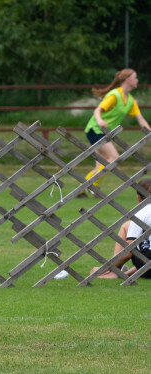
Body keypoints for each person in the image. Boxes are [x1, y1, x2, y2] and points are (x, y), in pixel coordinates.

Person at [78, 69, 151, 198]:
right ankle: (92, 187)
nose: (137, 80)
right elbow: (97, 110)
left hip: (104, 133)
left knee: (101, 165)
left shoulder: (130, 100)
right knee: (114, 158)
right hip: (95, 130)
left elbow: (140, 119)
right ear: (127, 80)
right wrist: (100, 120)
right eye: (135, 77)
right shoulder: (115, 95)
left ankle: (81, 190)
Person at [90, 179, 151, 279]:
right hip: (147, 263)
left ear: (139, 197)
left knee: (127, 228)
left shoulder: (141, 214)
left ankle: (115, 270)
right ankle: (119, 271)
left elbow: (127, 253)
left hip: (148, 269)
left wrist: (105, 269)